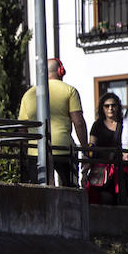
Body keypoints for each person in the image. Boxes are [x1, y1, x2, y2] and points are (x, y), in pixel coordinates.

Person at [17, 57, 89, 187]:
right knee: (69, 189)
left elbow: (22, 128)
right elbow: (78, 122)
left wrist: (25, 153)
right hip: (64, 149)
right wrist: (85, 149)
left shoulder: (28, 94)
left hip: (36, 151)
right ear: (60, 71)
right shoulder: (70, 91)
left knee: (39, 191)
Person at [87, 92, 128, 205]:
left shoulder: (124, 125)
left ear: (118, 107)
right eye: (107, 106)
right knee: (104, 198)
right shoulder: (97, 125)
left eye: (113, 105)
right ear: (102, 108)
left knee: (124, 199)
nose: (110, 108)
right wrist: (87, 164)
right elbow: (92, 146)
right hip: (103, 170)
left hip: (121, 169)